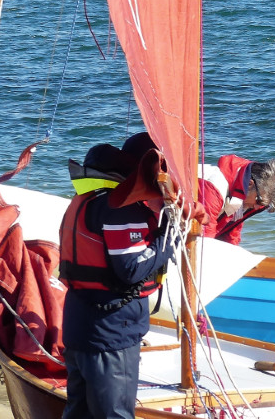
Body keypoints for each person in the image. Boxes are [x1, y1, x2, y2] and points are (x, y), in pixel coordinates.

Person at [59, 138, 189, 419]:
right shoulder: (121, 209)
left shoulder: (88, 201)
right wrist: (170, 237)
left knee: (78, 412)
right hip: (109, 334)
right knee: (115, 414)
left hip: (80, 325)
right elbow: (130, 269)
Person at [198, 155, 275, 245]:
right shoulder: (214, 188)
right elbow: (205, 241)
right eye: (259, 201)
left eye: (265, 205)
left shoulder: (242, 196)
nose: (257, 207)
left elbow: (231, 236)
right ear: (250, 184)